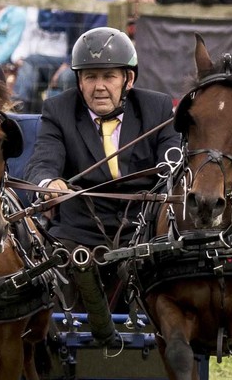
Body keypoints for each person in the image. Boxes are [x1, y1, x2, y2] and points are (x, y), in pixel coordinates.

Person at [25, 27, 180, 249]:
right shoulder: (58, 110)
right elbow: (42, 162)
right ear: (79, 81)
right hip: (79, 232)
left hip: (145, 229)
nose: (99, 87)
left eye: (109, 76)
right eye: (90, 77)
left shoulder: (158, 108)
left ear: (129, 79)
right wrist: (49, 182)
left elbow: (172, 165)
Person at [11, 0, 71, 111]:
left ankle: (17, 105)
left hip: (59, 58)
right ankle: (21, 112)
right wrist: (18, 56)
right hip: (37, 59)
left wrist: (47, 3)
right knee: (28, 64)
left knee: (31, 62)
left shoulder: (70, 1)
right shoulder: (34, 3)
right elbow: (27, 35)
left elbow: (50, 26)